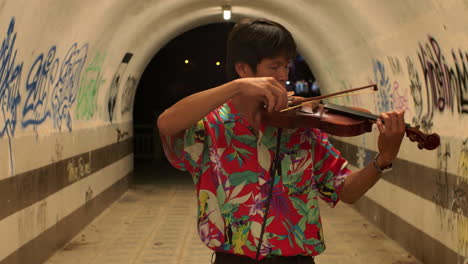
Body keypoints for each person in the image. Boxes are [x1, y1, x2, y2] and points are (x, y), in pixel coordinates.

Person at [157, 18, 405, 264]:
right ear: (243, 70)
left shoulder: (301, 127)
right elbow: (166, 123)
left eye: (286, 67)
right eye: (274, 67)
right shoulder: (210, 125)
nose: (283, 76)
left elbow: (346, 191)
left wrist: (383, 159)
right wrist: (235, 88)